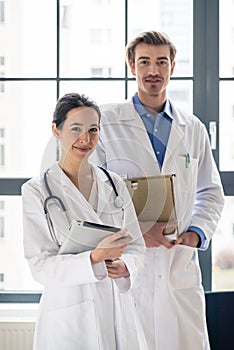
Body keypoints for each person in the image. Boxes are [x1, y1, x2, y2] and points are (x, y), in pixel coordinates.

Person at [90, 31, 225, 350]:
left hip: (179, 265)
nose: (153, 70)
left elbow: (211, 191)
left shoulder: (192, 127)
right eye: (145, 61)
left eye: (161, 62)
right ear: (132, 66)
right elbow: (91, 195)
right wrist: (137, 232)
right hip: (127, 265)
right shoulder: (106, 122)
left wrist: (195, 233)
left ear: (173, 67)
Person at [22, 93, 148, 350]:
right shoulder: (37, 191)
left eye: (93, 130)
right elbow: (40, 265)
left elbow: (136, 245)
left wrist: (126, 266)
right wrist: (93, 259)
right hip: (69, 315)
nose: (85, 139)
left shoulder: (114, 184)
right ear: (56, 130)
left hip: (116, 309)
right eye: (76, 129)